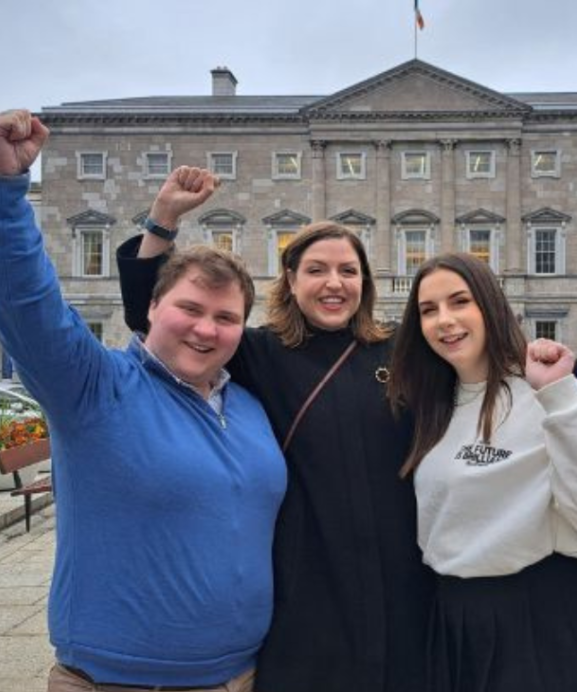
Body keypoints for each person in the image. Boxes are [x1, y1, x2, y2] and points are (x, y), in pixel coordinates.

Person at [0, 110, 286, 692]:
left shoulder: (248, 406)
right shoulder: (96, 388)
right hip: (121, 680)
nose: (206, 330)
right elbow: (27, 304)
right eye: (190, 309)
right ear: (153, 310)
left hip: (241, 674)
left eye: (226, 318)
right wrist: (3, 195)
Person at [118, 193, 434, 692]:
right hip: (308, 577)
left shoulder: (399, 349)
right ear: (290, 279)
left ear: (364, 283)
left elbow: (478, 361)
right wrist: (162, 221)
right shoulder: (258, 351)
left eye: (348, 271)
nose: (334, 283)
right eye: (317, 270)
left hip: (401, 572)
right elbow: (151, 316)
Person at [386, 252, 577, 692]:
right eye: (428, 310)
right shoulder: (431, 406)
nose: (444, 320)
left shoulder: (547, 393)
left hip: (541, 619)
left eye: (460, 302)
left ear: (491, 307)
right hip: (455, 620)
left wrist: (561, 393)